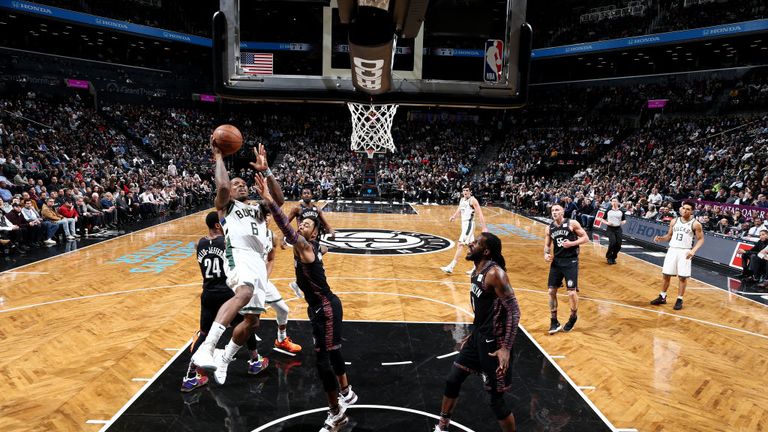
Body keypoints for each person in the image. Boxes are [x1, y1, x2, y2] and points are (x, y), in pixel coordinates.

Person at [254, 174, 358, 432]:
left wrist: (270, 200)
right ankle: (346, 391)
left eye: (309, 224)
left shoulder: (306, 247)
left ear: (315, 231)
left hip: (327, 308)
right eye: (303, 222)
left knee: (324, 362)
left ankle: (337, 413)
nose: (303, 225)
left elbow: (288, 231)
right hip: (318, 308)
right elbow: (320, 247)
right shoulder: (315, 247)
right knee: (332, 354)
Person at [191, 141, 285, 381]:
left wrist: (266, 171)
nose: (241, 185)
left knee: (252, 322)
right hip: (238, 254)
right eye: (236, 184)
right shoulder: (227, 207)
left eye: (243, 183)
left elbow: (279, 199)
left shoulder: (257, 208)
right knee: (243, 292)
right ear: (230, 192)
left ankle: (225, 358)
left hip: (258, 263)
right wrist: (219, 157)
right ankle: (208, 348)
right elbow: (222, 185)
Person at [433, 232, 520, 432]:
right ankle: (442, 426)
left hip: (494, 344)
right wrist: (474, 333)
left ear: (486, 251)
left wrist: (506, 348)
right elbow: (485, 310)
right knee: (452, 379)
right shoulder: (476, 270)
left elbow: (514, 311)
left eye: (477, 243)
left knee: (496, 401)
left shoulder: (495, 274)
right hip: (478, 337)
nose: (471, 243)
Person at [181, 212, 264, 392]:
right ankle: (255, 360)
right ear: (219, 225)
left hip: (208, 293)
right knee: (247, 323)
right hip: (226, 293)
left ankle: (189, 377)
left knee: (204, 334)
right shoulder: (227, 243)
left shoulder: (200, 243)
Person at [650, 201, 705, 310]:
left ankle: (679, 299)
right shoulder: (674, 221)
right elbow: (669, 236)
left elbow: (701, 239)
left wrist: (693, 251)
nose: (685, 210)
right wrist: (661, 238)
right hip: (672, 250)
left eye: (688, 209)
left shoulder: (696, 224)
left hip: (685, 251)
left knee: (682, 277)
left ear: (692, 211)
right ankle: (662, 296)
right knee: (666, 275)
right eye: (684, 208)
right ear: (681, 209)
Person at [544, 203, 589, 334]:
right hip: (556, 262)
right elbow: (547, 245)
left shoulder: (572, 223)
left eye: (557, 210)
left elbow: (586, 238)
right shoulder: (549, 228)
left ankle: (573, 316)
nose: (554, 212)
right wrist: (546, 254)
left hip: (571, 261)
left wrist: (572, 244)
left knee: (571, 292)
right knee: (551, 291)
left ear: (563, 211)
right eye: (552, 210)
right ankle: (554, 321)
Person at [283, 188, 336, 296]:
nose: (306, 195)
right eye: (304, 193)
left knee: (318, 257)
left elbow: (325, 223)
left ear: (312, 195)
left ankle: (300, 284)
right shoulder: (297, 208)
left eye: (308, 193)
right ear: (301, 195)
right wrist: (281, 238)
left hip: (314, 239)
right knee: (300, 262)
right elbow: (285, 223)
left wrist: (331, 230)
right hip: (301, 239)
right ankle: (300, 283)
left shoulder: (317, 209)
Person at [441, 185, 488, 275]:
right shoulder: (462, 199)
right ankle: (477, 268)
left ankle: (451, 267)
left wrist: (484, 227)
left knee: (460, 245)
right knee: (472, 247)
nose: (465, 192)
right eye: (464, 190)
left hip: (469, 225)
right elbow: (459, 209)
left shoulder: (473, 200)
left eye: (467, 190)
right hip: (464, 225)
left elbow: (480, 213)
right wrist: (454, 216)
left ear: (470, 192)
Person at [598, 198, 626, 265]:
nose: (614, 202)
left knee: (619, 244)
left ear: (618, 202)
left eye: (615, 201)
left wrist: (623, 222)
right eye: (613, 201)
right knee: (612, 242)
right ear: (611, 203)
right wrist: (607, 223)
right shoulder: (608, 210)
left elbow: (624, 219)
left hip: (618, 228)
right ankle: (609, 257)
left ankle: (614, 257)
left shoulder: (621, 210)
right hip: (610, 229)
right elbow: (602, 219)